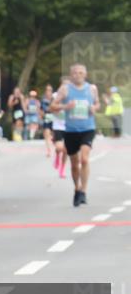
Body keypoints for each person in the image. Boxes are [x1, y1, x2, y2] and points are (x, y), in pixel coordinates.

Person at [51, 64, 99, 206]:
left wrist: (94, 108)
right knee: (74, 164)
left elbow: (97, 104)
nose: (78, 75)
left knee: (84, 159)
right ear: (71, 75)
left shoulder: (91, 89)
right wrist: (66, 107)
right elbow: (52, 106)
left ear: (85, 74)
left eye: (81, 72)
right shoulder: (65, 89)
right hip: (71, 131)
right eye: (75, 73)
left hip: (88, 128)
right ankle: (76, 189)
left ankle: (83, 191)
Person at [41, 85, 55, 157]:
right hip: (47, 119)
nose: (48, 92)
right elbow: (42, 109)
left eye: (50, 90)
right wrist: (41, 115)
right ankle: (49, 150)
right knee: (47, 134)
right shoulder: (43, 100)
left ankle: (54, 143)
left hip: (54, 119)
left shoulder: (54, 98)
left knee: (53, 136)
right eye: (47, 90)